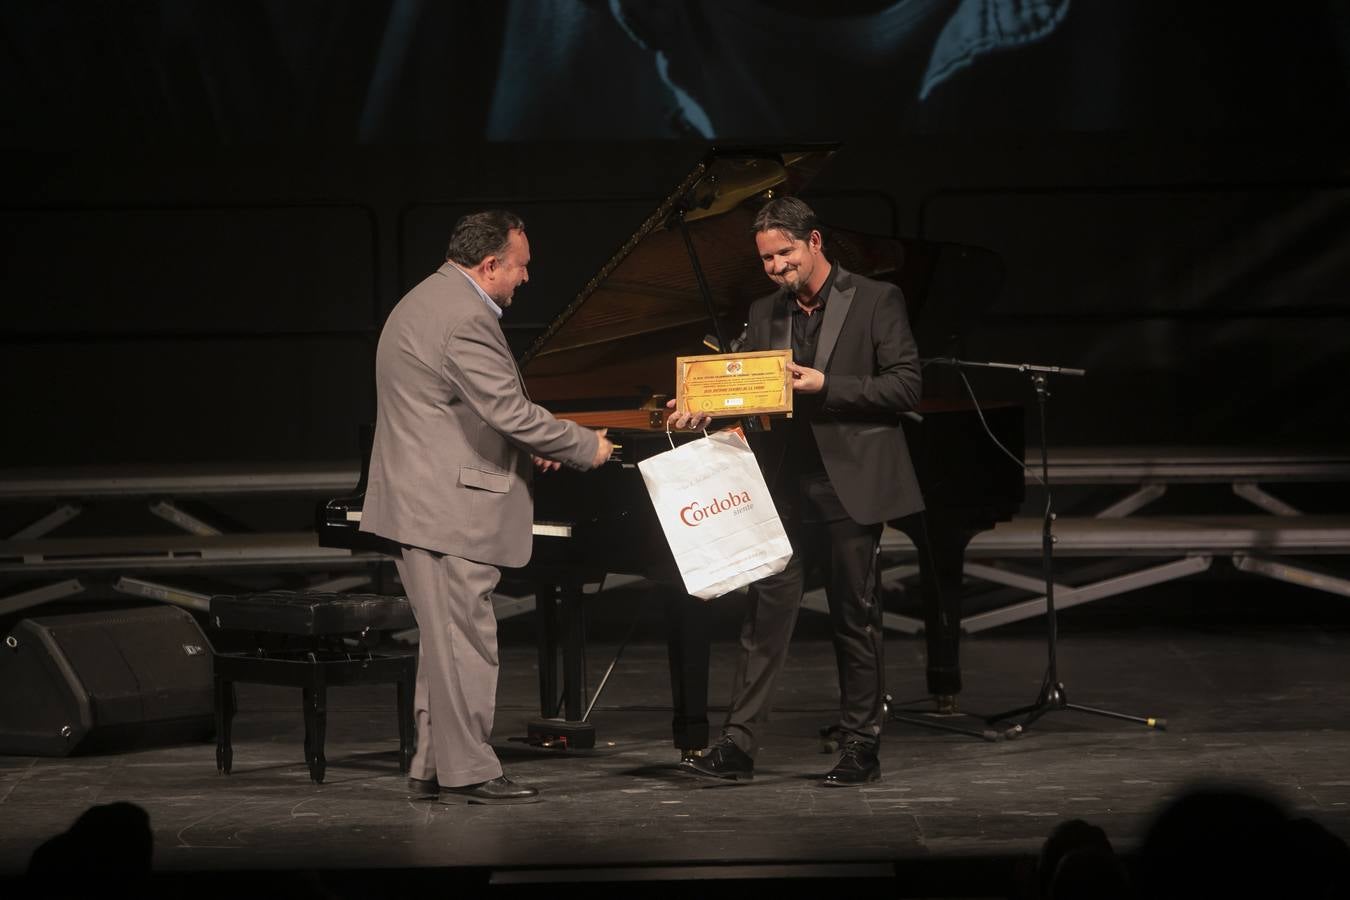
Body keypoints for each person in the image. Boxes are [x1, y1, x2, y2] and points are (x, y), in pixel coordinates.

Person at [360, 210, 613, 805]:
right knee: (465, 640)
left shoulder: (429, 298)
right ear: (490, 264)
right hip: (446, 507)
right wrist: (585, 445)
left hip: (423, 500)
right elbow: (507, 411)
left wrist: (528, 447)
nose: (526, 278)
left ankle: (431, 764)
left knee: (443, 642)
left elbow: (461, 409)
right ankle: (471, 769)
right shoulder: (465, 316)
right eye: (521, 267)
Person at [671, 196, 924, 786]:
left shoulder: (876, 299)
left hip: (849, 484)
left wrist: (826, 384)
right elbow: (737, 381)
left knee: (854, 615)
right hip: (783, 484)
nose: (776, 266)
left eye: (784, 253)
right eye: (766, 258)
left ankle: (861, 743)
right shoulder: (765, 311)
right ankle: (738, 745)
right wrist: (696, 407)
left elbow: (906, 386)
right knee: (763, 616)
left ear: (814, 242)